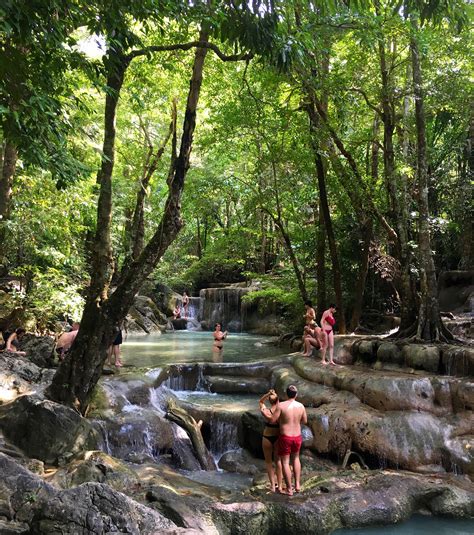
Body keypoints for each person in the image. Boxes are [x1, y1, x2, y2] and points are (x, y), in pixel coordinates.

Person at [268, 385, 307, 496]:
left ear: (286, 394)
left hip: (286, 437)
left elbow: (273, 420)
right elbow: (304, 420)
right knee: (296, 458)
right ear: (296, 394)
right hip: (297, 436)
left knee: (285, 462)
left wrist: (266, 414)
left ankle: (289, 489)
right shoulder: (301, 406)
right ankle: (298, 485)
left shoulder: (281, 406)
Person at [259, 389, 283, 493]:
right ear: (278, 401)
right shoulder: (281, 410)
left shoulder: (265, 411)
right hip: (278, 437)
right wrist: (275, 396)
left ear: (269, 401)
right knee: (278, 461)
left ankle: (273, 486)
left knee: (268, 462)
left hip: (267, 437)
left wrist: (268, 393)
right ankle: (280, 486)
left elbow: (260, 401)